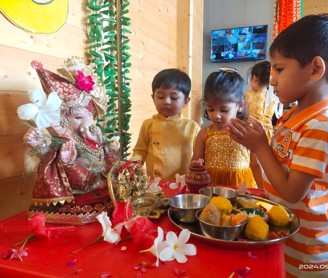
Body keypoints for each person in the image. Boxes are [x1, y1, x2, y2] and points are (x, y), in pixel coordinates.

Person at [228, 14, 328, 277]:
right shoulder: (293, 115)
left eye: (279, 69)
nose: (272, 80)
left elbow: (292, 192)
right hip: (288, 239)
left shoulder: (322, 125)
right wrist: (256, 142)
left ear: (315, 69)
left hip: (310, 255)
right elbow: (280, 168)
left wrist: (260, 147)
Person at [20, 57, 120, 224]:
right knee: (70, 161)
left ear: (92, 116)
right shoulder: (66, 137)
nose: (76, 124)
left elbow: (112, 164)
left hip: (103, 185)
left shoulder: (96, 135)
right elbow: (52, 160)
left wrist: (107, 145)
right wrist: (41, 147)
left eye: (80, 117)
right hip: (80, 189)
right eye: (68, 118)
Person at [130, 68, 200, 180]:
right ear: (153, 98)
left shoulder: (192, 127)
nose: (166, 101)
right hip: (154, 184)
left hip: (181, 184)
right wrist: (134, 164)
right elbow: (140, 150)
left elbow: (199, 157)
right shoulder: (148, 124)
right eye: (160, 97)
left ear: (185, 101)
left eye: (174, 97)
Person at [191, 68, 256, 188]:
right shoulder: (204, 133)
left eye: (224, 110)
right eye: (210, 109)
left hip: (241, 186)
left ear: (240, 106)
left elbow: (256, 164)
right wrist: (196, 165)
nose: (216, 115)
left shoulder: (247, 132)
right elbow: (196, 162)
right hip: (211, 185)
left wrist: (262, 193)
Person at [244, 60, 277, 187]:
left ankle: (259, 186)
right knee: (265, 162)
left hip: (252, 132)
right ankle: (265, 184)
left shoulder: (247, 95)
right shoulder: (273, 97)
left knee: (253, 163)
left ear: (254, 78)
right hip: (268, 133)